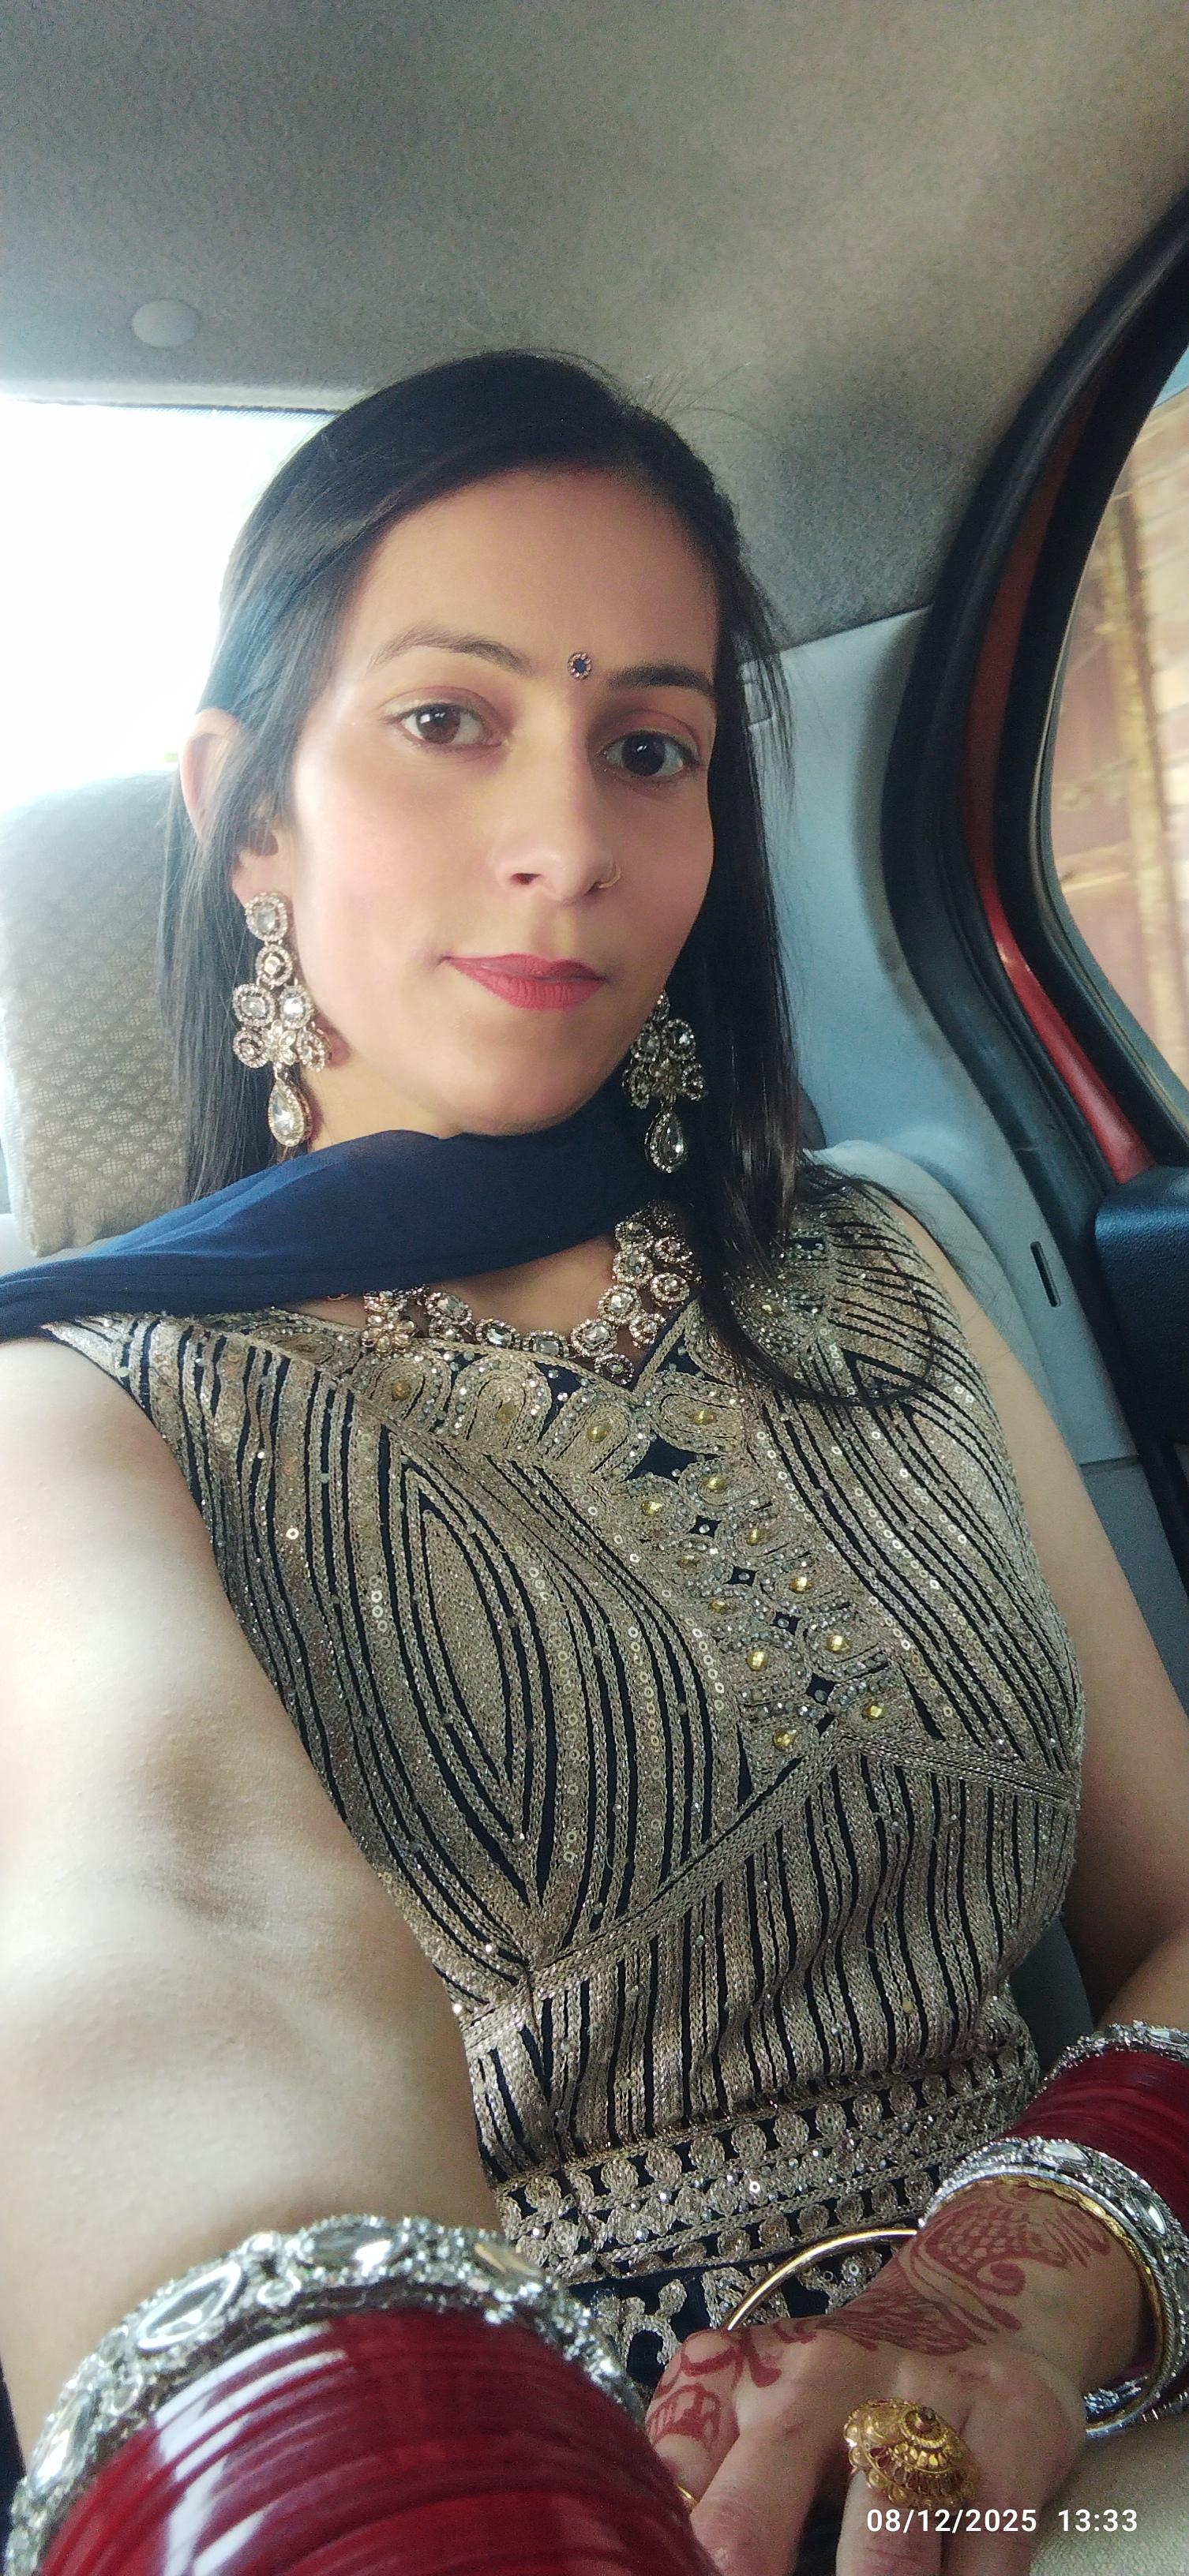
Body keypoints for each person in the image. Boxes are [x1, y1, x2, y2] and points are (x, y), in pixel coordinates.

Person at [0, 348, 1187, 2576]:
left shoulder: (879, 1277)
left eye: (650, 747)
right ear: (249, 812)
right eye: (448, 720)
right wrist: (392, 2492)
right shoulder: (85, 1403)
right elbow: (172, 1922)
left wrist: (1015, 2285)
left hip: (1054, 2407)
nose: (568, 843)